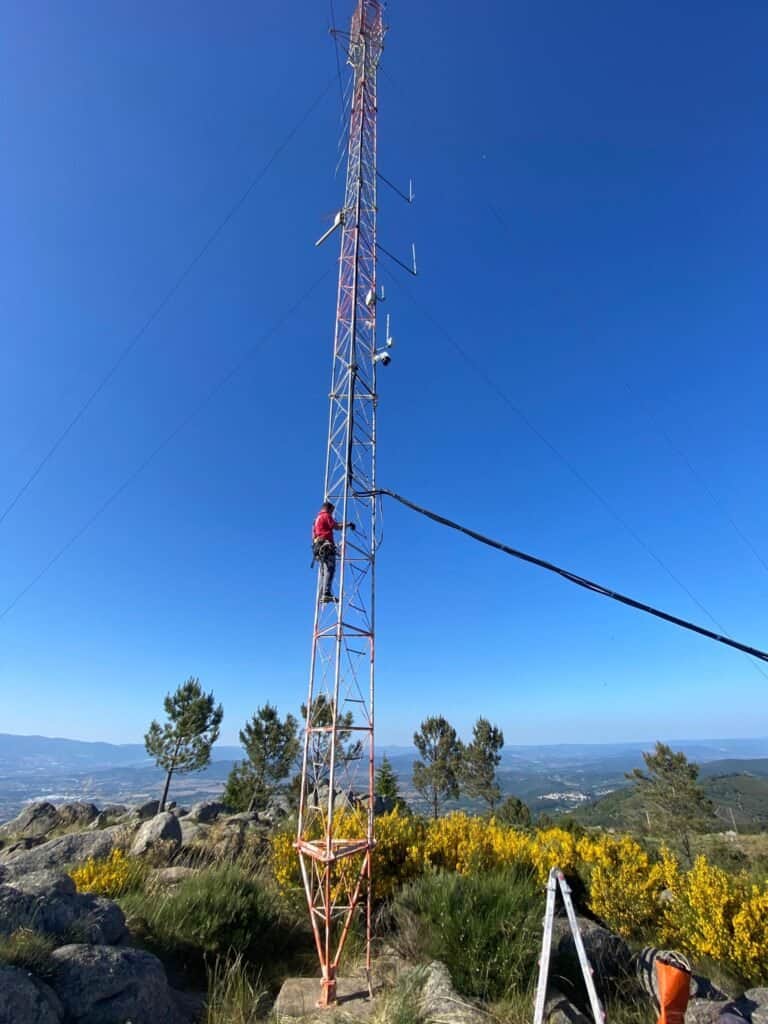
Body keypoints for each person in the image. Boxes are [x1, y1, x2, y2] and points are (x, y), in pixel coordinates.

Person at [312, 501, 354, 603]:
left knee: (324, 572)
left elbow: (313, 535)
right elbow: (336, 526)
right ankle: (326, 593)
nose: (332, 513)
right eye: (332, 511)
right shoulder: (326, 516)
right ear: (328, 508)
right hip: (325, 546)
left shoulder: (316, 520)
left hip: (318, 547)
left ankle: (322, 594)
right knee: (330, 569)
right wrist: (348, 524)